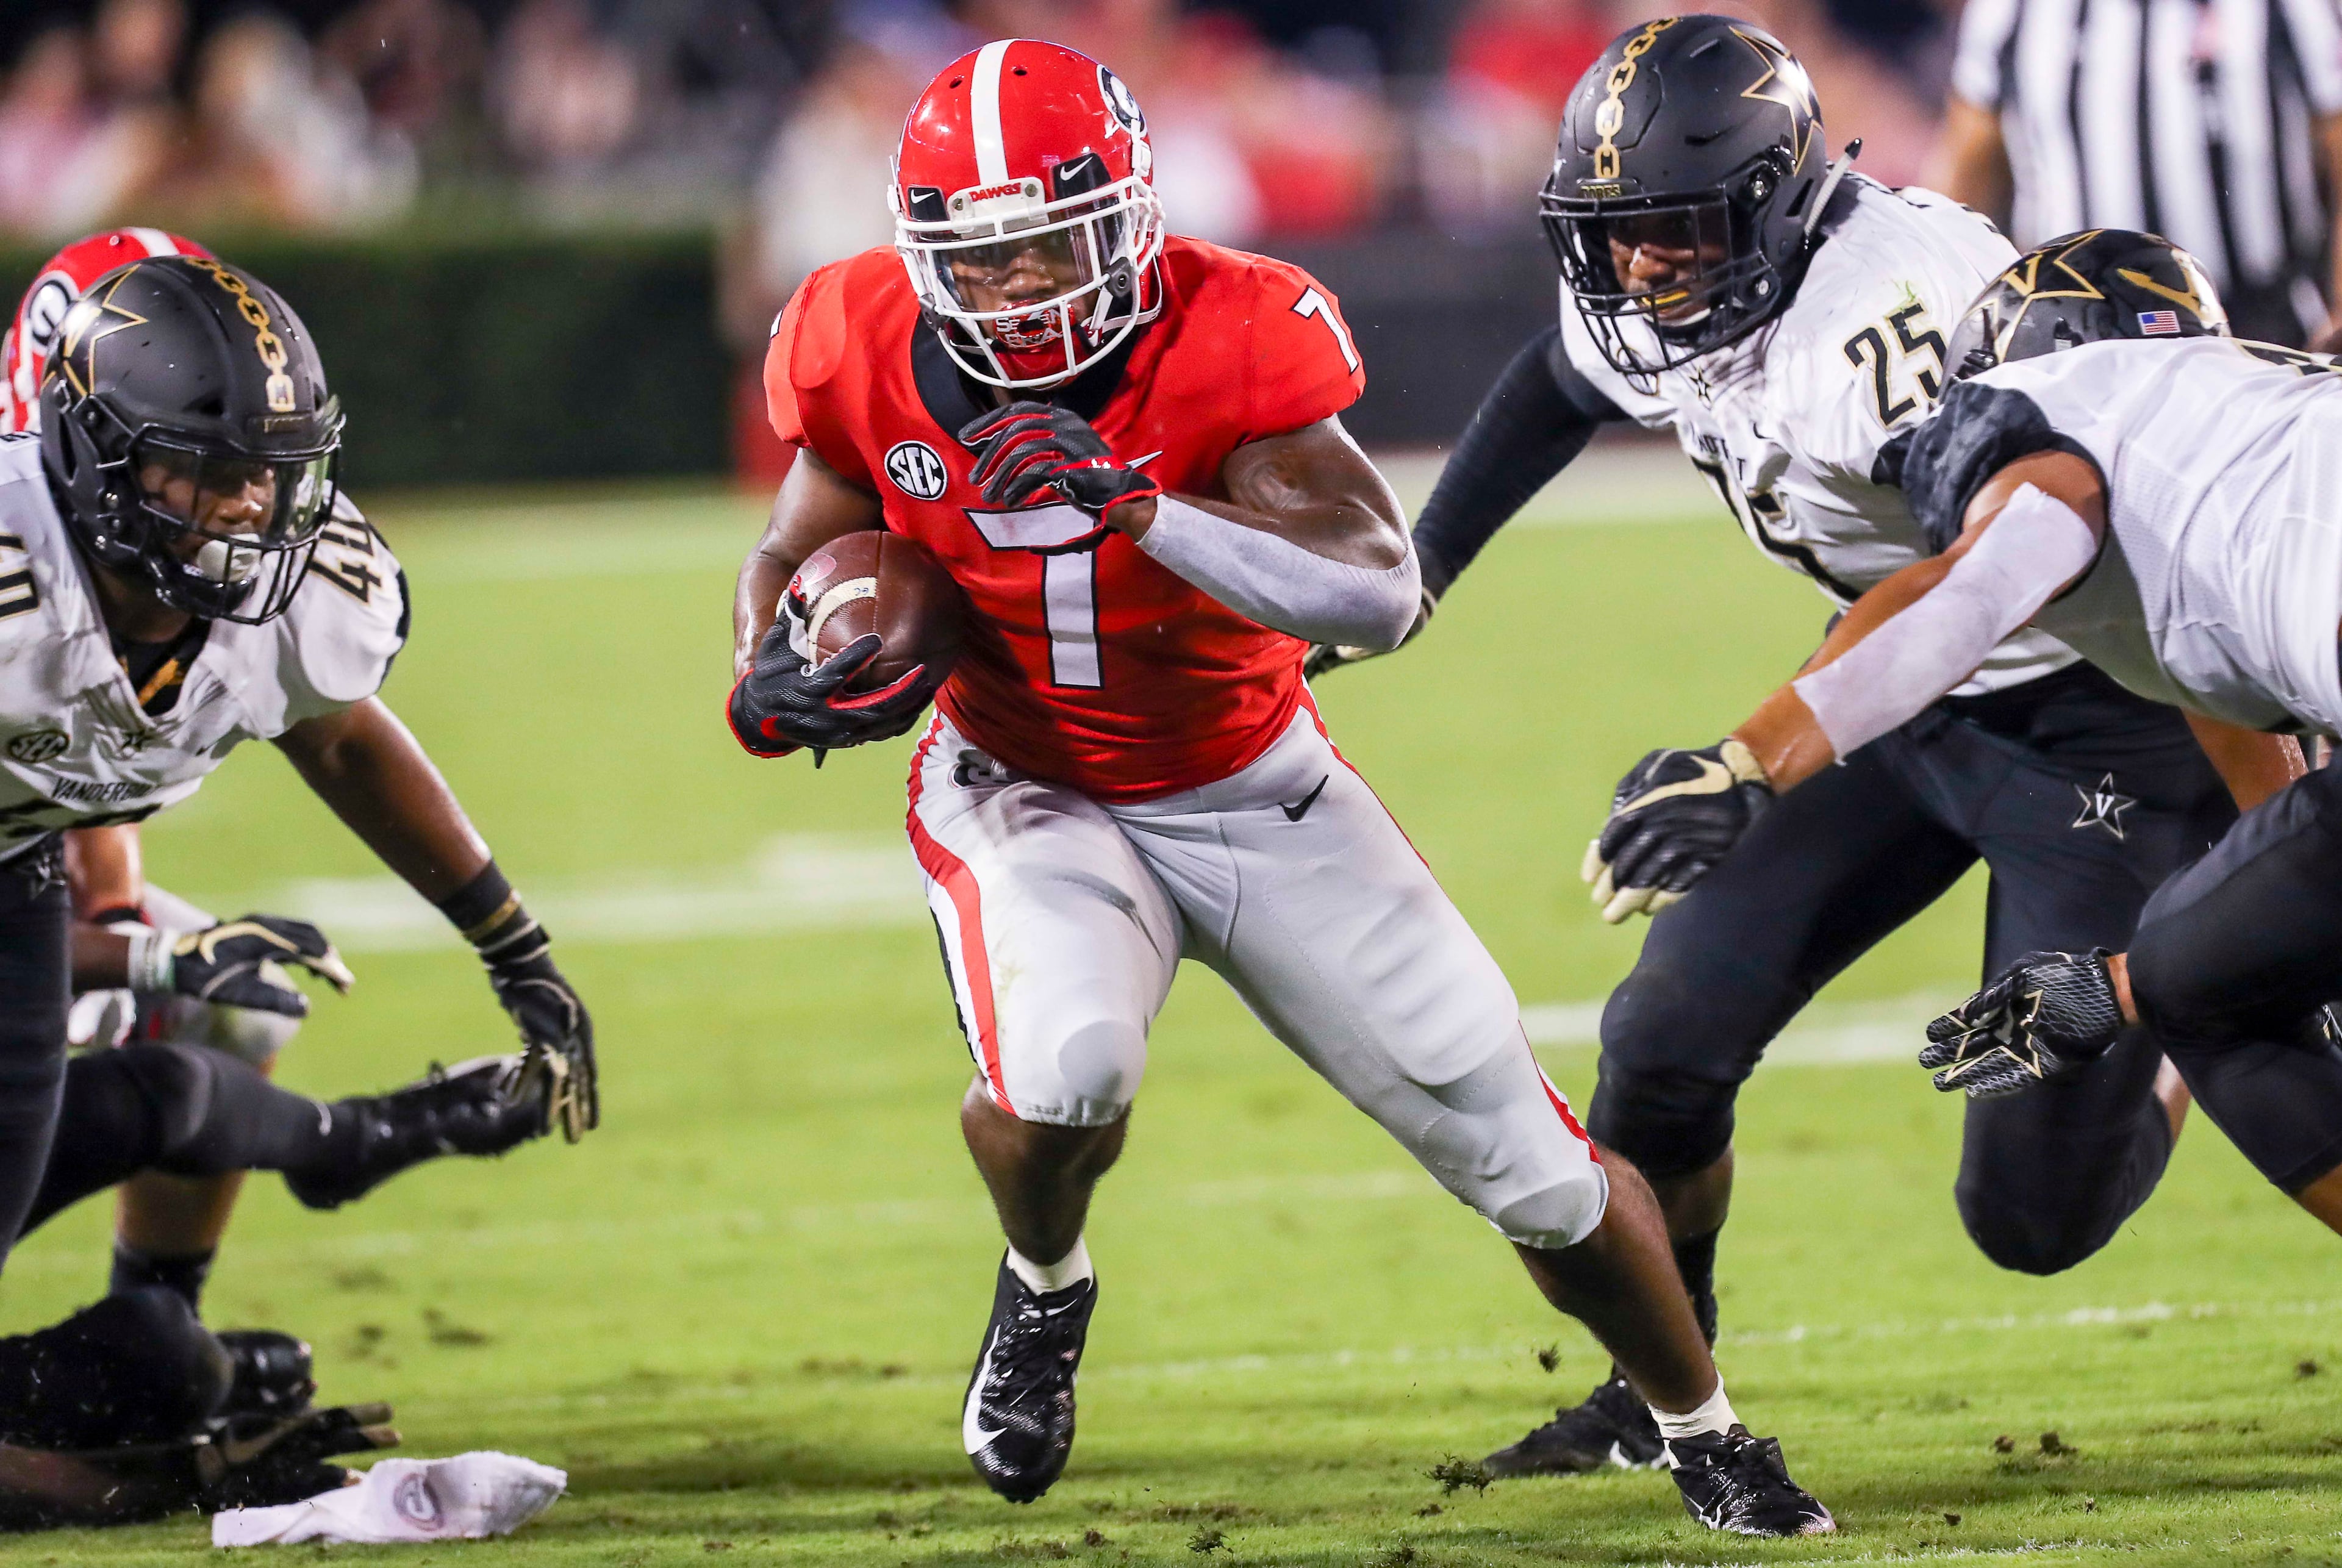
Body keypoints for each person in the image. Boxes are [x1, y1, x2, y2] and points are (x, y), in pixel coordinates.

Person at [728, 37, 1831, 1537]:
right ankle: (1044, 1285)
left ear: (1128, 218)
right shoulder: (853, 334)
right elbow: (797, 543)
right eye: (980, 259)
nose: (1018, 291)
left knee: (1530, 1161)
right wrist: (767, 663)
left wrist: (1141, 506)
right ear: (922, 256)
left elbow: (1379, 596)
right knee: (1063, 1067)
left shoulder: (1233, 327)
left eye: (1047, 247)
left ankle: (1704, 1431)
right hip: (1024, 781)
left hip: (1255, 782)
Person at [1313, 16, 2298, 1480]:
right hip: (1898, 703)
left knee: (2031, 1212)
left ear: (1775, 203)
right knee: (1661, 1040)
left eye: (1675, 228)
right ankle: (1662, 1394)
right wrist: (1423, 568)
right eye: (1618, 231)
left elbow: (1972, 588)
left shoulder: (1884, 322)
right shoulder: (1678, 273)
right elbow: (1560, 378)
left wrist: (1747, 757)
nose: (1643, 266)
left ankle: (2184, 1005)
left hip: (2103, 721)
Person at [1632, 225, 2342, 1235]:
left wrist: (1749, 762)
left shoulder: (2067, 411)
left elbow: (1968, 596)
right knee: (2211, 975)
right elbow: (2248, 739)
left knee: (2211, 994)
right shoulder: (2247, 414)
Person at [0, 251, 600, 1276]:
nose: (250, 506)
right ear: (96, 457)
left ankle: (154, 1327)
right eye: (210, 469)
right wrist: (151, 958)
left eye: (272, 472)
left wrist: (514, 946)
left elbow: (341, 737)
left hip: (18, 874)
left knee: (177, 1061)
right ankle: (342, 1151)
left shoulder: (305, 593)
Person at [1932, 0, 2342, 348]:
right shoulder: (2014, 9)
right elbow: (1970, 171)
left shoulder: (2288, 7)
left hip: (2260, 328)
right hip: (2069, 335)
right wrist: (1951, 321)